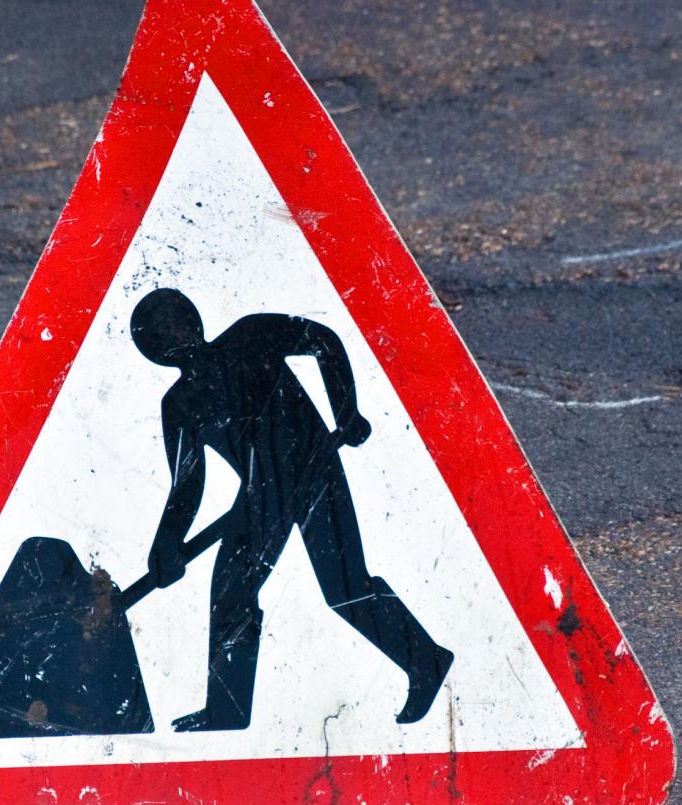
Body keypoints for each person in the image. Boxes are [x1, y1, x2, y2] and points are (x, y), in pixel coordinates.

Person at [131, 288, 453, 733]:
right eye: (158, 337)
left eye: (171, 327)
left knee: (345, 587)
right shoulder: (181, 403)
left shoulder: (249, 335)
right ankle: (226, 712)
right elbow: (187, 483)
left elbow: (322, 339)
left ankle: (427, 660)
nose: (171, 341)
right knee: (230, 592)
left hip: (314, 468)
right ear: (154, 353)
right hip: (260, 496)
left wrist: (346, 410)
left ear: (192, 322)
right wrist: (166, 546)